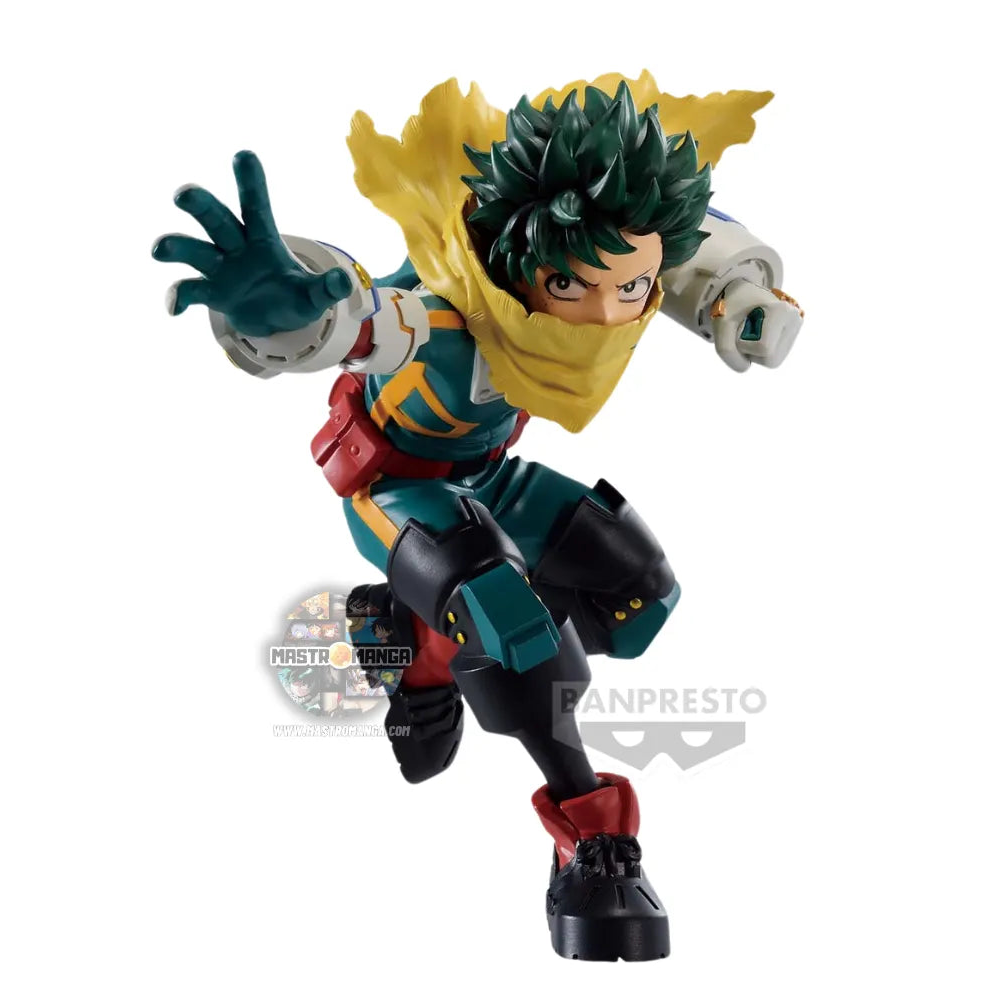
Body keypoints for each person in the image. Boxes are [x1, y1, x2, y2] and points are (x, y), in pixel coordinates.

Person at [152, 73, 804, 961]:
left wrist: (739, 296)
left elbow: (682, 252)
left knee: (640, 600)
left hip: (493, 478)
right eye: (574, 285)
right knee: (514, 625)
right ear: (522, 259)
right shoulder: (446, 309)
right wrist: (282, 309)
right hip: (400, 491)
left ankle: (415, 644)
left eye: (632, 289)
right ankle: (590, 842)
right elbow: (351, 317)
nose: (607, 314)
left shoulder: (614, 264)